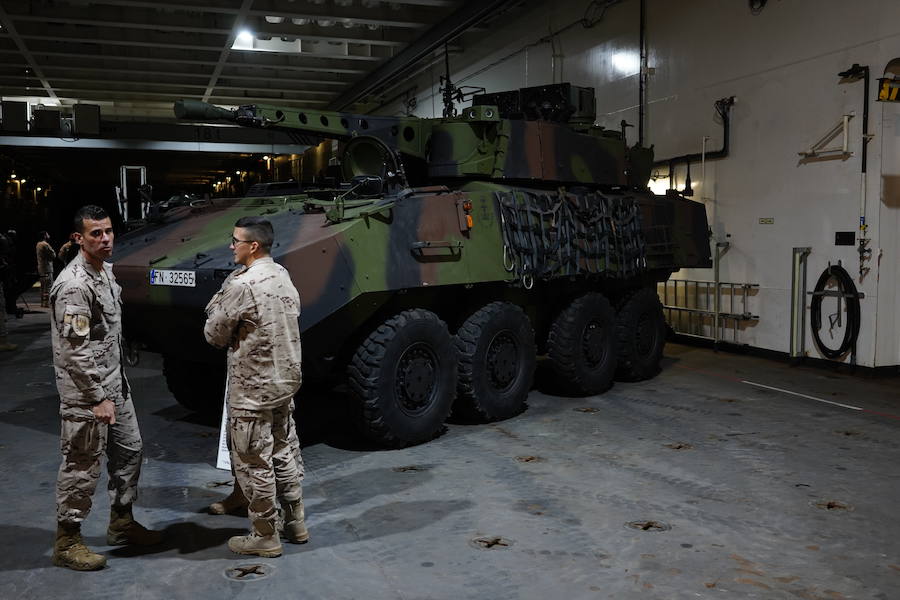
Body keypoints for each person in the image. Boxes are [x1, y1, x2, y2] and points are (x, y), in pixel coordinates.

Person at [49, 205, 162, 571]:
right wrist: (97, 398)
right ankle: (67, 541)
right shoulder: (74, 285)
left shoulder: (105, 273)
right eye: (95, 233)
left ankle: (122, 522)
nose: (105, 238)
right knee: (81, 466)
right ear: (78, 238)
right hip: (86, 394)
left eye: (109, 231)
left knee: (131, 451)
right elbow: (74, 351)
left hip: (116, 386)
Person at [204, 216, 307, 557]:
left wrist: (221, 301)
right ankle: (296, 523)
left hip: (251, 390)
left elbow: (213, 334)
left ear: (254, 246)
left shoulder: (243, 286)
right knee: (283, 451)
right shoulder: (282, 275)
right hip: (283, 384)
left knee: (253, 462)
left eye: (236, 240)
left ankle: (265, 535)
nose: (231, 246)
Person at [36, 231, 55, 307]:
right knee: (48, 286)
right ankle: (47, 303)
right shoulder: (45, 244)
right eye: (47, 234)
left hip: (41, 268)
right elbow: (53, 255)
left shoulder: (38, 244)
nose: (49, 235)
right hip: (47, 268)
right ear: (44, 236)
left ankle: (42, 302)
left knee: (43, 286)